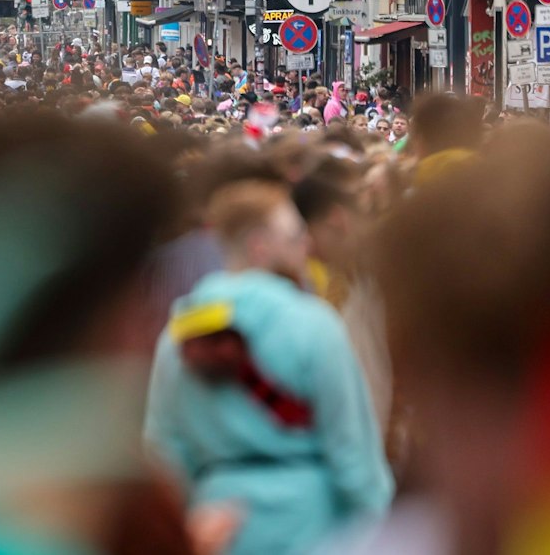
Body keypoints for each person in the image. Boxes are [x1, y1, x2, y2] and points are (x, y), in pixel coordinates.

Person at [146, 182, 393, 555]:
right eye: (294, 236)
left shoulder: (177, 333)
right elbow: (352, 452)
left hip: (218, 522)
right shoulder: (313, 323)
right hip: (313, 524)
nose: (305, 245)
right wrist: (383, 524)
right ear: (260, 246)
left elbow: (164, 449)